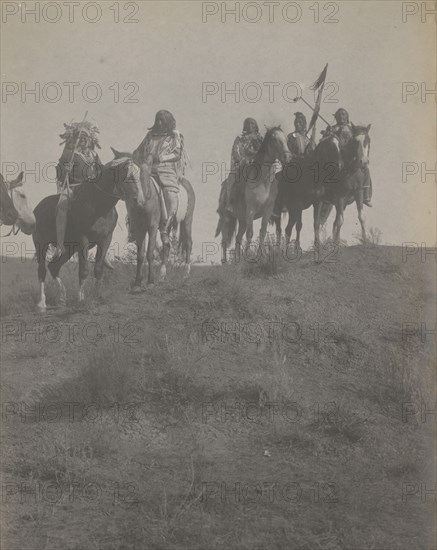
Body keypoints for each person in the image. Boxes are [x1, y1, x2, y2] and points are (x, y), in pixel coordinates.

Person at [131, 110, 186, 242]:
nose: (160, 123)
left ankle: (165, 226)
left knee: (170, 196)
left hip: (165, 170)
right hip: (147, 170)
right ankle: (133, 225)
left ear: (167, 122)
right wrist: (139, 159)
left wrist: (161, 157)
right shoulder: (150, 135)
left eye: (162, 120)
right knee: (133, 191)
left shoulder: (174, 137)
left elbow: (177, 154)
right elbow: (138, 151)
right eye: (158, 120)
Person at [55, 121, 103, 258]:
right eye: (80, 137)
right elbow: (58, 172)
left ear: (89, 140)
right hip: (73, 187)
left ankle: (104, 248)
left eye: (85, 137)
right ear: (76, 139)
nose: (82, 140)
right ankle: (59, 245)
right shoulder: (69, 154)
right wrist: (65, 170)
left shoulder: (94, 155)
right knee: (61, 207)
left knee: (106, 208)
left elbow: (101, 171)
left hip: (91, 191)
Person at [325, 108, 372, 207]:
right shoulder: (332, 128)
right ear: (336, 117)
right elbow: (326, 140)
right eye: (339, 115)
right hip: (336, 155)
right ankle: (328, 192)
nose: (341, 117)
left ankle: (366, 196)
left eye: (343, 115)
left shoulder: (351, 129)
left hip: (350, 157)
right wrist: (329, 134)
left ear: (347, 117)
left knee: (365, 169)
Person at [219, 117, 263, 215]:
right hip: (243, 165)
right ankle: (230, 202)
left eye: (252, 124)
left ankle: (272, 204)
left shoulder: (260, 139)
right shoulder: (240, 138)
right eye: (248, 124)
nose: (250, 126)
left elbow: (263, 152)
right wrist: (244, 160)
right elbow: (236, 152)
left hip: (257, 165)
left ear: (256, 126)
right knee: (231, 179)